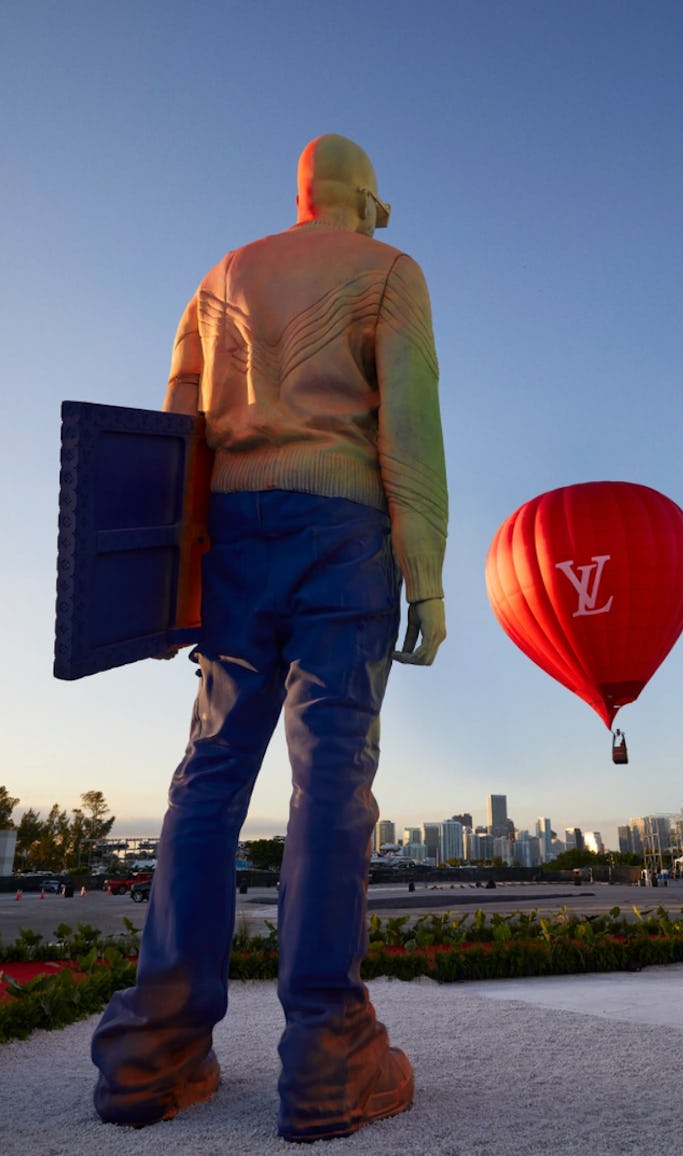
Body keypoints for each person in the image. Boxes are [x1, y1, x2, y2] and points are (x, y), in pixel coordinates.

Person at [90, 133, 448, 1142]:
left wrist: (164, 579)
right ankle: (329, 1050)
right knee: (332, 777)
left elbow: (177, 428)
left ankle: (150, 1050)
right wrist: (425, 575)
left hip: (234, 532)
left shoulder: (224, 275)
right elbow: (409, 426)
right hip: (344, 532)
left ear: (300, 194)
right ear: (369, 201)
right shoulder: (388, 270)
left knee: (208, 776)